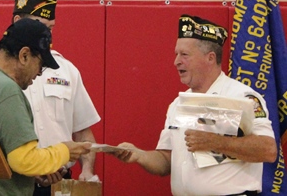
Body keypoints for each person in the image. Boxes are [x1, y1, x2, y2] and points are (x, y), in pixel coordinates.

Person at [112, 14, 277, 195]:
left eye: (184, 55)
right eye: (176, 54)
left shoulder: (242, 97)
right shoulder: (177, 104)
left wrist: (216, 142)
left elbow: (267, 150)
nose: (176, 62)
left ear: (210, 58)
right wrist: (139, 155)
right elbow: (166, 161)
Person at [0, 0, 100, 195]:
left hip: (58, 183)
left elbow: (83, 131)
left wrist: (87, 171)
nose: (40, 73)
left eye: (51, 28)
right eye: (40, 26)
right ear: (24, 56)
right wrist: (37, 164)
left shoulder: (66, 69)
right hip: (9, 183)